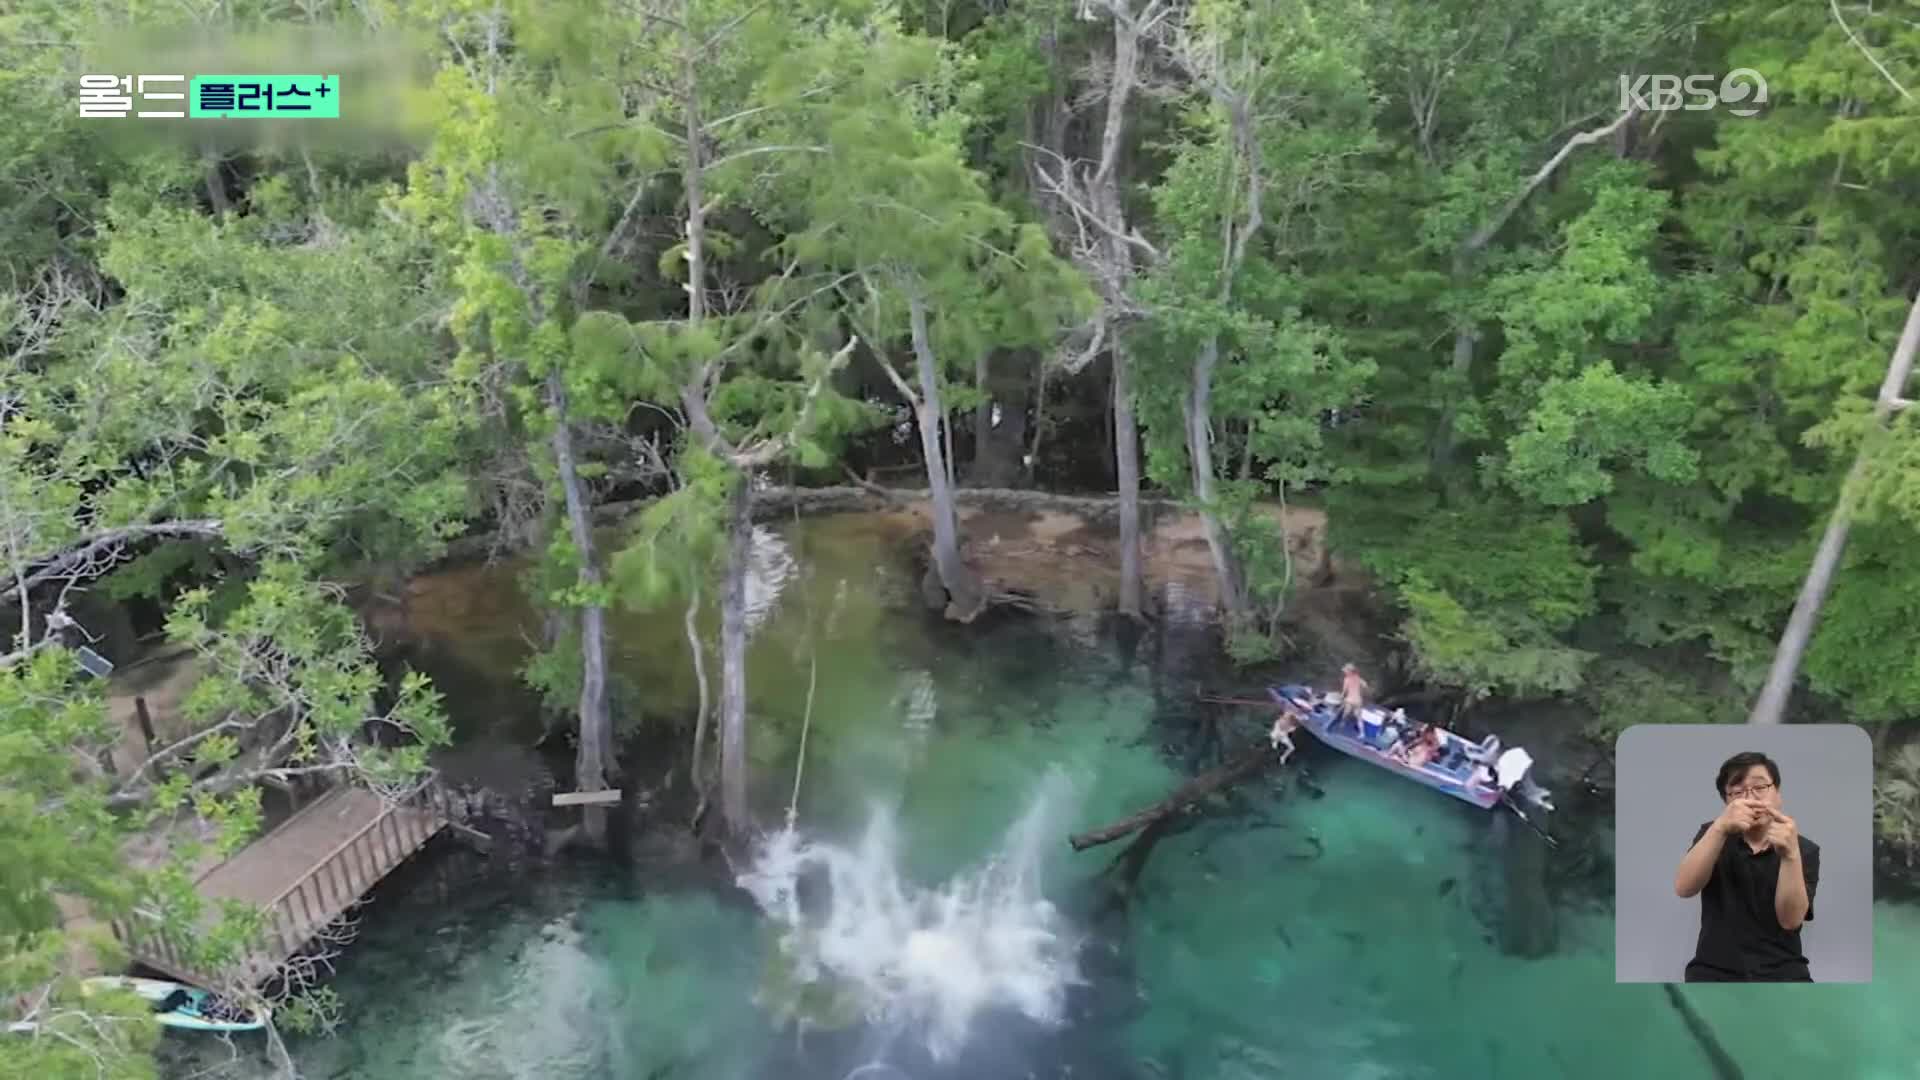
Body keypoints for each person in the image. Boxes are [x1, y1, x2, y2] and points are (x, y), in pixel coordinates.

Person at [1673, 751, 1821, 982]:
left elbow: (1790, 921)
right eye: (1738, 792)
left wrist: (1790, 856)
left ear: (1777, 794)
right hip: (1713, 971)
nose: (1751, 798)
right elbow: (1684, 888)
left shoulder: (1805, 849)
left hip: (1784, 972)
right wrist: (1720, 828)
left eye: (1760, 788)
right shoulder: (1711, 834)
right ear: (1727, 801)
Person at [1338, 663, 1370, 732]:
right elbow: (1365, 686)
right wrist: (1362, 692)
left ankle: (1342, 723)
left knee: (1346, 713)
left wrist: (1341, 698)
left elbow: (1344, 691)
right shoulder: (1358, 678)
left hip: (1350, 700)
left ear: (1349, 672)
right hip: (1358, 701)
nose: (1344, 672)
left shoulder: (1346, 679)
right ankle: (1362, 733)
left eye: (1346, 671)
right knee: (1359, 717)